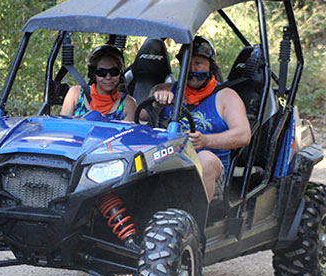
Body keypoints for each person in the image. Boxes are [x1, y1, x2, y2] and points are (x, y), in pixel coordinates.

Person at [148, 36, 251, 200]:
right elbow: (140, 117)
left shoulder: (226, 96)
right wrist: (156, 101)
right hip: (165, 164)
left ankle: (194, 215)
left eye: (198, 63)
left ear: (211, 66)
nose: (192, 69)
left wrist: (206, 141)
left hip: (211, 171)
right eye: (187, 63)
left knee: (205, 159)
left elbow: (243, 135)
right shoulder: (166, 90)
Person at [61, 45, 137, 121]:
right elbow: (62, 125)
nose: (108, 77)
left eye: (113, 72)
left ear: (121, 73)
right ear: (93, 74)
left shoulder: (128, 104)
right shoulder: (76, 94)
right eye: (102, 72)